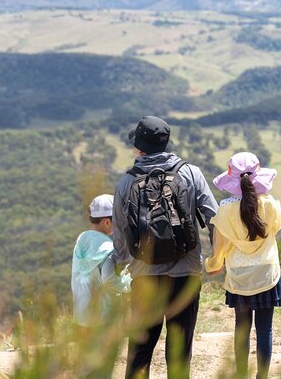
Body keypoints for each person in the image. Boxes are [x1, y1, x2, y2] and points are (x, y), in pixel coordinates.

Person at [112, 116, 218, 379]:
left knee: (140, 352)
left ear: (139, 148)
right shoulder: (190, 173)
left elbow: (120, 234)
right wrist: (219, 257)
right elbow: (214, 218)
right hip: (186, 275)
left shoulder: (126, 182)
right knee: (179, 352)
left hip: (144, 277)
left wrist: (120, 266)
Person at [205, 152, 281, 379]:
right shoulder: (269, 204)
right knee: (265, 329)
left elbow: (219, 246)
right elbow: (275, 229)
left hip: (239, 277)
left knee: (241, 329)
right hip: (267, 273)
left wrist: (213, 264)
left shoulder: (225, 208)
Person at [72, 194, 132, 329]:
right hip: (104, 319)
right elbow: (108, 280)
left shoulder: (81, 242)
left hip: (82, 316)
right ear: (107, 222)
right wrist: (129, 282)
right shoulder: (108, 249)